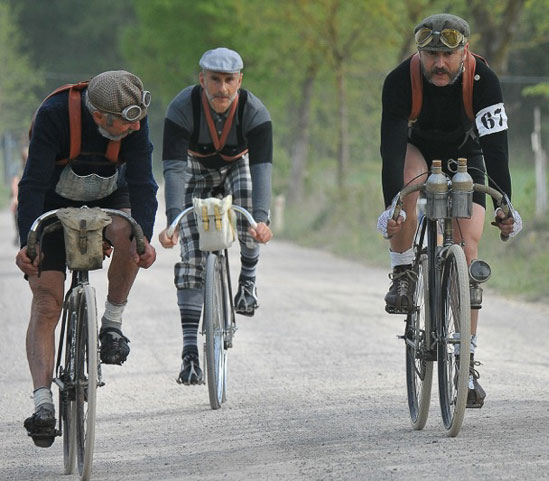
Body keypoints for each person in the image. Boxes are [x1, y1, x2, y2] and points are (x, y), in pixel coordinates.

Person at [377, 14, 522, 408]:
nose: (439, 64)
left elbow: (496, 146)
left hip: (465, 154)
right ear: (419, 53)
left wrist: (503, 203)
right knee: (409, 181)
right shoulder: (399, 81)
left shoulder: (484, 81)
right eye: (431, 55)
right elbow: (390, 149)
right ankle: (405, 270)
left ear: (465, 51)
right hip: (416, 150)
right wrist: (392, 203)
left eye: (448, 54)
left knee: (468, 245)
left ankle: (465, 358)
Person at [15, 70, 158, 446]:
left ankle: (111, 323)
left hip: (111, 195)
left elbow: (143, 182)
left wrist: (143, 237)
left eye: (136, 125)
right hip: (50, 199)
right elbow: (31, 185)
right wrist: (28, 244)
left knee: (130, 235)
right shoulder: (55, 114)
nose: (132, 131)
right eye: (123, 127)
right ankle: (43, 403)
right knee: (47, 302)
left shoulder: (133, 121)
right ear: (99, 116)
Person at [159, 47, 273, 385]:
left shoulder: (254, 111)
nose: (221, 88)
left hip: (238, 165)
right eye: (214, 80)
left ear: (239, 80)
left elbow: (263, 167)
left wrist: (261, 219)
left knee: (249, 217)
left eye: (228, 80)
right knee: (192, 259)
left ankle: (248, 281)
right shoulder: (182, 108)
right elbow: (174, 169)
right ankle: (190, 352)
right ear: (202, 79)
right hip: (194, 168)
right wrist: (174, 220)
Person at [10, 146, 28, 245]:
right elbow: (15, 182)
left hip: (29, 195)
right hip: (20, 194)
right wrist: (15, 197)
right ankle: (19, 234)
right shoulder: (19, 168)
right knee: (17, 212)